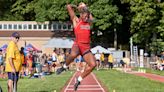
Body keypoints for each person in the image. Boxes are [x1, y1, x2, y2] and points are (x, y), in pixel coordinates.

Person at [56, 2, 96, 91]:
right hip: (78, 44)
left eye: (87, 15)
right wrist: (70, 7)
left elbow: (91, 18)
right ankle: (64, 67)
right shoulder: (76, 21)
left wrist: (84, 7)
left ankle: (79, 80)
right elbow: (69, 8)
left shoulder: (89, 23)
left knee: (93, 64)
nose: (86, 17)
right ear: (81, 15)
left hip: (86, 47)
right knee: (73, 55)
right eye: (84, 15)